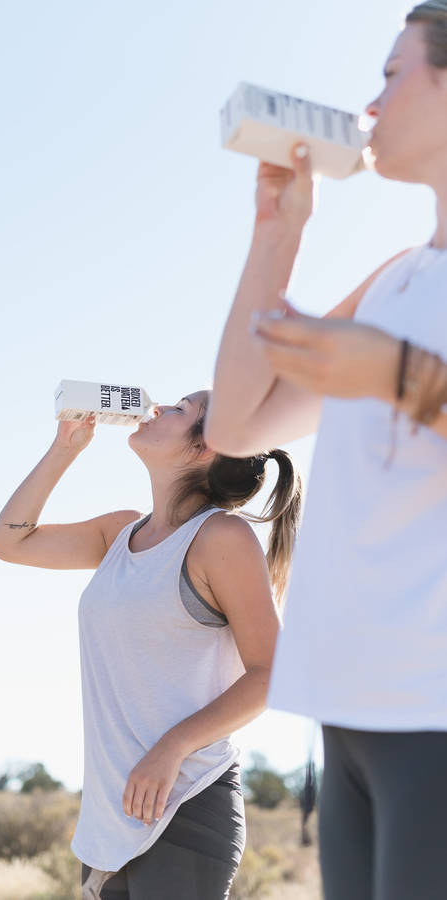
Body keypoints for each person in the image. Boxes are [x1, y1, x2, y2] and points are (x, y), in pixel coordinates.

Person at [205, 3, 447, 898]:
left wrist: (402, 376)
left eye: (392, 74)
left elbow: (404, 380)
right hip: (347, 710)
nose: (371, 103)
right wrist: (278, 233)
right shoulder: (394, 280)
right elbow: (236, 425)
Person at [0, 389, 301, 900]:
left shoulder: (221, 538)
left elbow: (271, 672)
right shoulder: (118, 534)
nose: (156, 408)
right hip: (108, 821)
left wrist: (172, 747)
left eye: (179, 410)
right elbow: (6, 542)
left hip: (185, 806)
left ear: (203, 450)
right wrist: (66, 447)